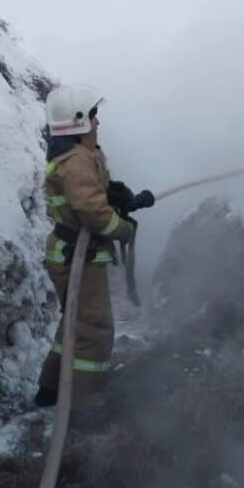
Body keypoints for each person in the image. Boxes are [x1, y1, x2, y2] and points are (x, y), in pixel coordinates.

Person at [34, 84, 155, 411]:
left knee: (74, 321)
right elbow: (90, 210)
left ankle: (51, 389)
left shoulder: (76, 156)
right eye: (93, 116)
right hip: (77, 257)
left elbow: (90, 193)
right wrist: (122, 229)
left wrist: (121, 196)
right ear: (78, 121)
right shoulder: (76, 161)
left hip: (70, 252)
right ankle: (83, 404)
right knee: (95, 329)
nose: (98, 122)